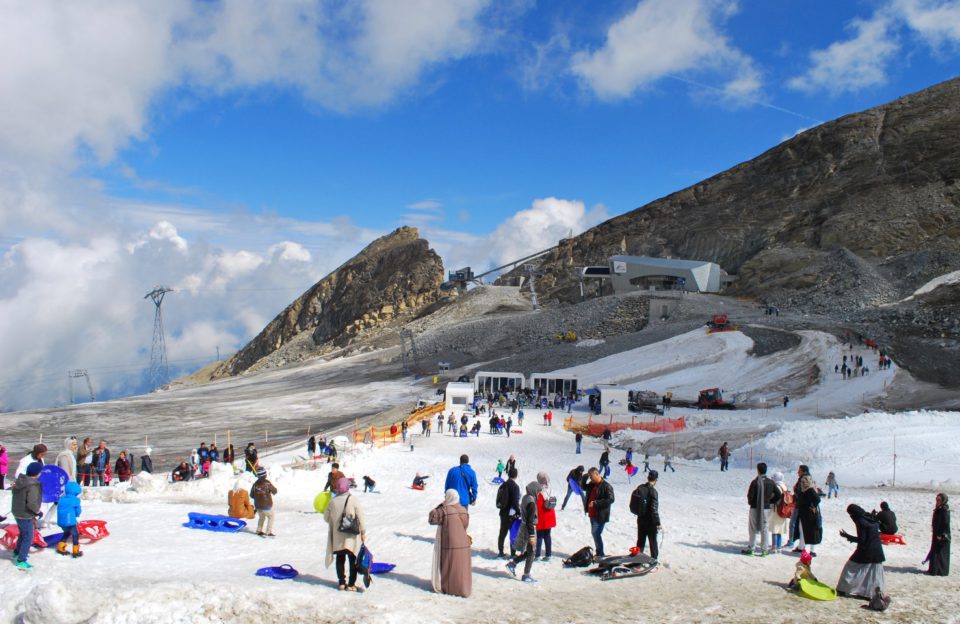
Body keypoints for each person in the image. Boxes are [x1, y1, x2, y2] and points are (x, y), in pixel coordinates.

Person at [324, 477, 366, 592]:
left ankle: (342, 583)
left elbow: (326, 518)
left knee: (340, 558)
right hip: (351, 536)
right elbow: (360, 516)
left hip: (338, 537)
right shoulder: (353, 499)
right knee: (353, 559)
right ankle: (351, 584)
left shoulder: (332, 501)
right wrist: (363, 531)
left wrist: (336, 521)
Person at [428, 488, 472, 597]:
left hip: (449, 544)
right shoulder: (463, 510)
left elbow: (432, 518)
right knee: (461, 568)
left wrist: (440, 505)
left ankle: (450, 588)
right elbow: (465, 526)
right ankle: (463, 589)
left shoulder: (444, 510)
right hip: (463, 543)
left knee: (449, 566)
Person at [836, 504, 886, 598]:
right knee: (872, 573)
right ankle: (869, 594)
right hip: (877, 549)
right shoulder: (868, 517)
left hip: (866, 550)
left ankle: (843, 589)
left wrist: (847, 536)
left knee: (850, 567)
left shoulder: (860, 521)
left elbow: (862, 540)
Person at [742, 462, 781, 556]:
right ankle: (764, 550)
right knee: (765, 528)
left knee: (753, 528)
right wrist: (771, 501)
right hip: (766, 508)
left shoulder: (755, 482)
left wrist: (752, 503)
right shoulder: (770, 482)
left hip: (755, 507)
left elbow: (750, 495)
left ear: (758, 470)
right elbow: (778, 494)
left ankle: (751, 548)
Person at [506, 481, 542, 583]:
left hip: (524, 526)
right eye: (538, 492)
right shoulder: (531, 502)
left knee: (530, 551)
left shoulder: (526, 497)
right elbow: (530, 520)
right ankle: (526, 575)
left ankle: (513, 563)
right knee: (531, 553)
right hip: (528, 528)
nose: (539, 494)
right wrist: (531, 535)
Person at [11, 462, 44, 569]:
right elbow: (32, 503)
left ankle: (17, 552)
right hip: (25, 514)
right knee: (28, 537)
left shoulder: (20, 481)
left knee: (23, 534)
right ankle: (21, 560)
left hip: (17, 512)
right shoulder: (32, 485)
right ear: (37, 473)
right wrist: (37, 512)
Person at [583, 467, 614, 557]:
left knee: (596, 533)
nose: (591, 478)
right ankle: (599, 553)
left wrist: (597, 503)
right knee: (595, 533)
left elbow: (611, 499)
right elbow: (583, 487)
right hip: (592, 514)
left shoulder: (606, 486)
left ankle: (600, 553)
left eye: (591, 476)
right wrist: (584, 478)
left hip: (600, 514)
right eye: (589, 476)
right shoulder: (592, 484)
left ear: (597, 474)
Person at [631, 470, 661, 560]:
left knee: (640, 540)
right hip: (650, 521)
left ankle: (638, 559)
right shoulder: (653, 492)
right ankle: (654, 559)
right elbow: (654, 509)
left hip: (640, 518)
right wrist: (658, 522)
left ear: (648, 478)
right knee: (653, 541)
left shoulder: (640, 487)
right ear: (655, 480)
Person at [793, 466, 822, 555]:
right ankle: (801, 547)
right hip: (804, 509)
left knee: (811, 529)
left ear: (803, 471)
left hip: (808, 510)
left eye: (799, 471)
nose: (798, 472)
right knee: (802, 528)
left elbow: (816, 498)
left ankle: (812, 551)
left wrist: (813, 506)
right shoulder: (805, 479)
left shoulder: (805, 481)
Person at [497, 468, 521, 558]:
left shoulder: (503, 484)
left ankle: (501, 551)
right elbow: (515, 502)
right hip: (511, 514)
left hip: (503, 512)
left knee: (502, 532)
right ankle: (513, 553)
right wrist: (519, 511)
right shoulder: (515, 486)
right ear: (516, 475)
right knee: (513, 533)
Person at [56, 481, 84, 558]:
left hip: (61, 521)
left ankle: (60, 547)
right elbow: (78, 511)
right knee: (75, 534)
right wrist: (77, 514)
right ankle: (75, 551)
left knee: (67, 533)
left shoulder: (62, 498)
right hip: (70, 521)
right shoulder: (75, 500)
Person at [926, 493, 950, 576]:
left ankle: (940, 571)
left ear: (943, 500)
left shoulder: (944, 510)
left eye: (939, 500)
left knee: (940, 553)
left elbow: (945, 523)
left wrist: (941, 534)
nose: (937, 501)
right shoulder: (938, 509)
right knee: (935, 552)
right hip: (936, 533)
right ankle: (933, 570)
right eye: (936, 500)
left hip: (942, 534)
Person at [534, 472, 556, 561]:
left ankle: (538, 555)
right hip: (550, 515)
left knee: (539, 536)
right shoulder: (550, 489)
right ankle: (548, 554)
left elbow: (538, 506)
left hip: (542, 516)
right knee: (547, 535)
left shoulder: (539, 491)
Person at [251, 467, 277, 537]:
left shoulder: (255, 484)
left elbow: (251, 495)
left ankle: (259, 530)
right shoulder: (267, 483)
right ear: (265, 475)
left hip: (258, 506)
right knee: (271, 516)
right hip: (266, 505)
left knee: (261, 517)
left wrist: (258, 497)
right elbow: (274, 491)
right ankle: (268, 531)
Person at [769, 472, 789, 552]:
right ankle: (779, 546)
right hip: (784, 510)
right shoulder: (784, 486)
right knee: (780, 529)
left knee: (775, 528)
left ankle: (774, 546)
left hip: (776, 509)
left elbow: (773, 497)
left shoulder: (777, 486)